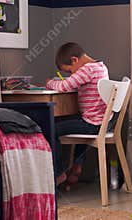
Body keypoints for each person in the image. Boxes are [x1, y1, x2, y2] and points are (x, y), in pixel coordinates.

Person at [46, 42, 112, 188]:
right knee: (72, 121)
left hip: (92, 124)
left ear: (75, 60)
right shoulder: (101, 66)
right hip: (102, 122)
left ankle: (59, 172)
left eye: (69, 71)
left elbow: (64, 86)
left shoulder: (87, 69)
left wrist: (50, 83)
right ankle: (77, 165)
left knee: (50, 128)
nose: (72, 75)